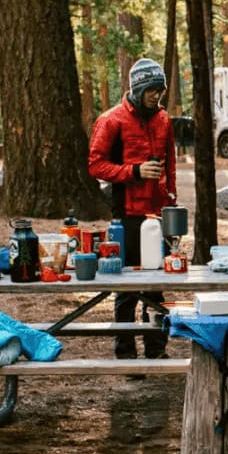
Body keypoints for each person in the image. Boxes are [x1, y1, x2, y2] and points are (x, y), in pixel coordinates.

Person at [88, 58, 176, 360]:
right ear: (138, 89)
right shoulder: (111, 120)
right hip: (126, 216)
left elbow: (170, 164)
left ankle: (156, 350)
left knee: (155, 287)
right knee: (126, 289)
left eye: (160, 90)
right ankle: (125, 354)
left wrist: (171, 201)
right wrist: (134, 172)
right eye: (152, 90)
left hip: (158, 214)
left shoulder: (164, 120)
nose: (157, 96)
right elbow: (95, 165)